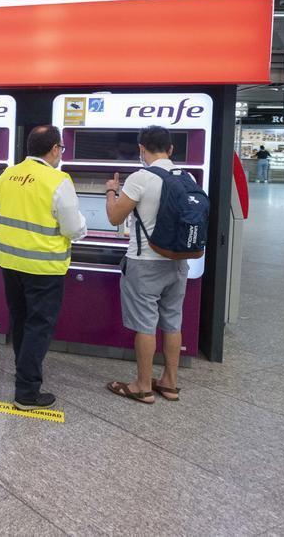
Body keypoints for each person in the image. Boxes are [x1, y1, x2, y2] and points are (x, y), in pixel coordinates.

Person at [0, 125, 87, 411]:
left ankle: (23, 372)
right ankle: (27, 393)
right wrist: (83, 228)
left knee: (21, 320)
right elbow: (73, 228)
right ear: (55, 148)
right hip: (44, 266)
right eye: (61, 148)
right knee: (39, 326)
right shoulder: (58, 180)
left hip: (10, 262)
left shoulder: (7, 174)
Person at [103, 126, 190, 405]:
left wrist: (111, 193)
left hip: (144, 263)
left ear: (142, 148)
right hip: (178, 262)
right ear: (171, 149)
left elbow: (116, 218)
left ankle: (142, 385)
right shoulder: (185, 176)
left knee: (145, 325)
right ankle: (170, 382)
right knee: (173, 323)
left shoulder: (140, 178)